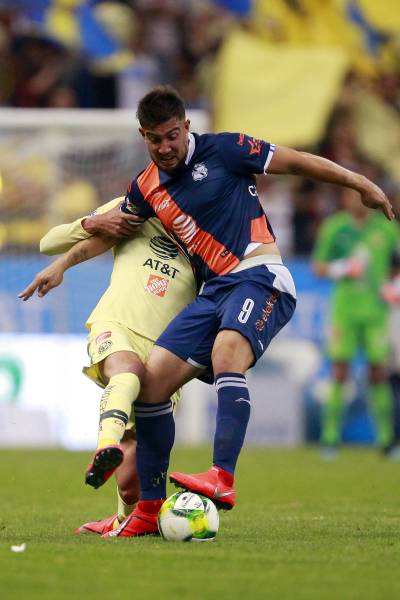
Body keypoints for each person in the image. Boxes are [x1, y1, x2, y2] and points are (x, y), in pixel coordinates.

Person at [96, 85, 393, 538]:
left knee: (227, 351)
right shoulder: (145, 186)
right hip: (213, 292)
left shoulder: (228, 149)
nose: (165, 147)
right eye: (154, 139)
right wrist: (67, 253)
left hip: (259, 275)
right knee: (151, 385)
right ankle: (148, 510)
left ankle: (223, 477)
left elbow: (297, 161)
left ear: (186, 127)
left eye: (172, 135)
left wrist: (360, 182)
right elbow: (115, 228)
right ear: (143, 136)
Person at [19, 196, 196, 535]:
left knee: (130, 484)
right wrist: (91, 225)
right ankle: (106, 445)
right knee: (127, 372)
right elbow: (48, 242)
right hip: (116, 326)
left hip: (167, 353)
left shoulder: (209, 236)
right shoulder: (139, 208)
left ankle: (119, 520)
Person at [312, 188, 400, 458]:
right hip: (344, 311)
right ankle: (330, 439)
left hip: (376, 311)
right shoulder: (335, 228)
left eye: (362, 194)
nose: (357, 199)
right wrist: (341, 268)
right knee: (340, 371)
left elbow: (396, 264)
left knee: (378, 372)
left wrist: (393, 284)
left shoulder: (387, 228)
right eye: (351, 194)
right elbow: (318, 267)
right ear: (344, 198)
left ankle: (386, 441)